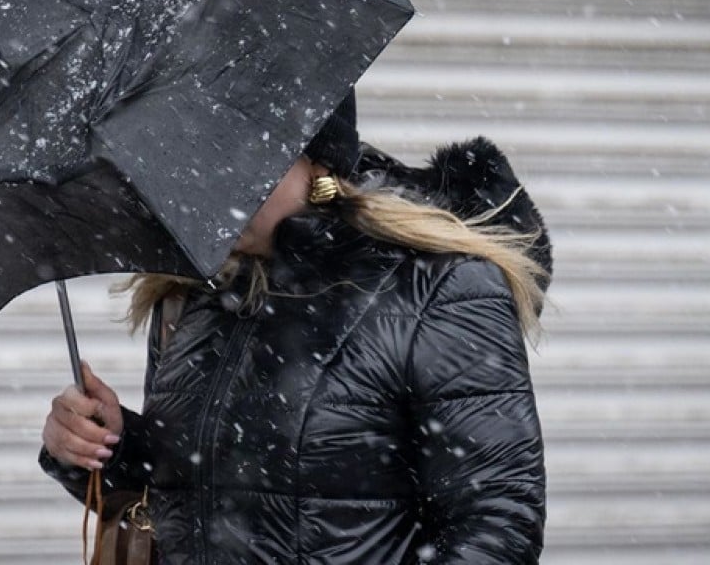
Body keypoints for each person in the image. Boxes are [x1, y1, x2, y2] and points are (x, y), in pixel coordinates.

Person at [39, 92, 551, 564]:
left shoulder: (437, 286)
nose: (210, 184)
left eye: (237, 156)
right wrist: (107, 446)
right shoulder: (192, 294)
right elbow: (196, 492)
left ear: (318, 162)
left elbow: (497, 525)